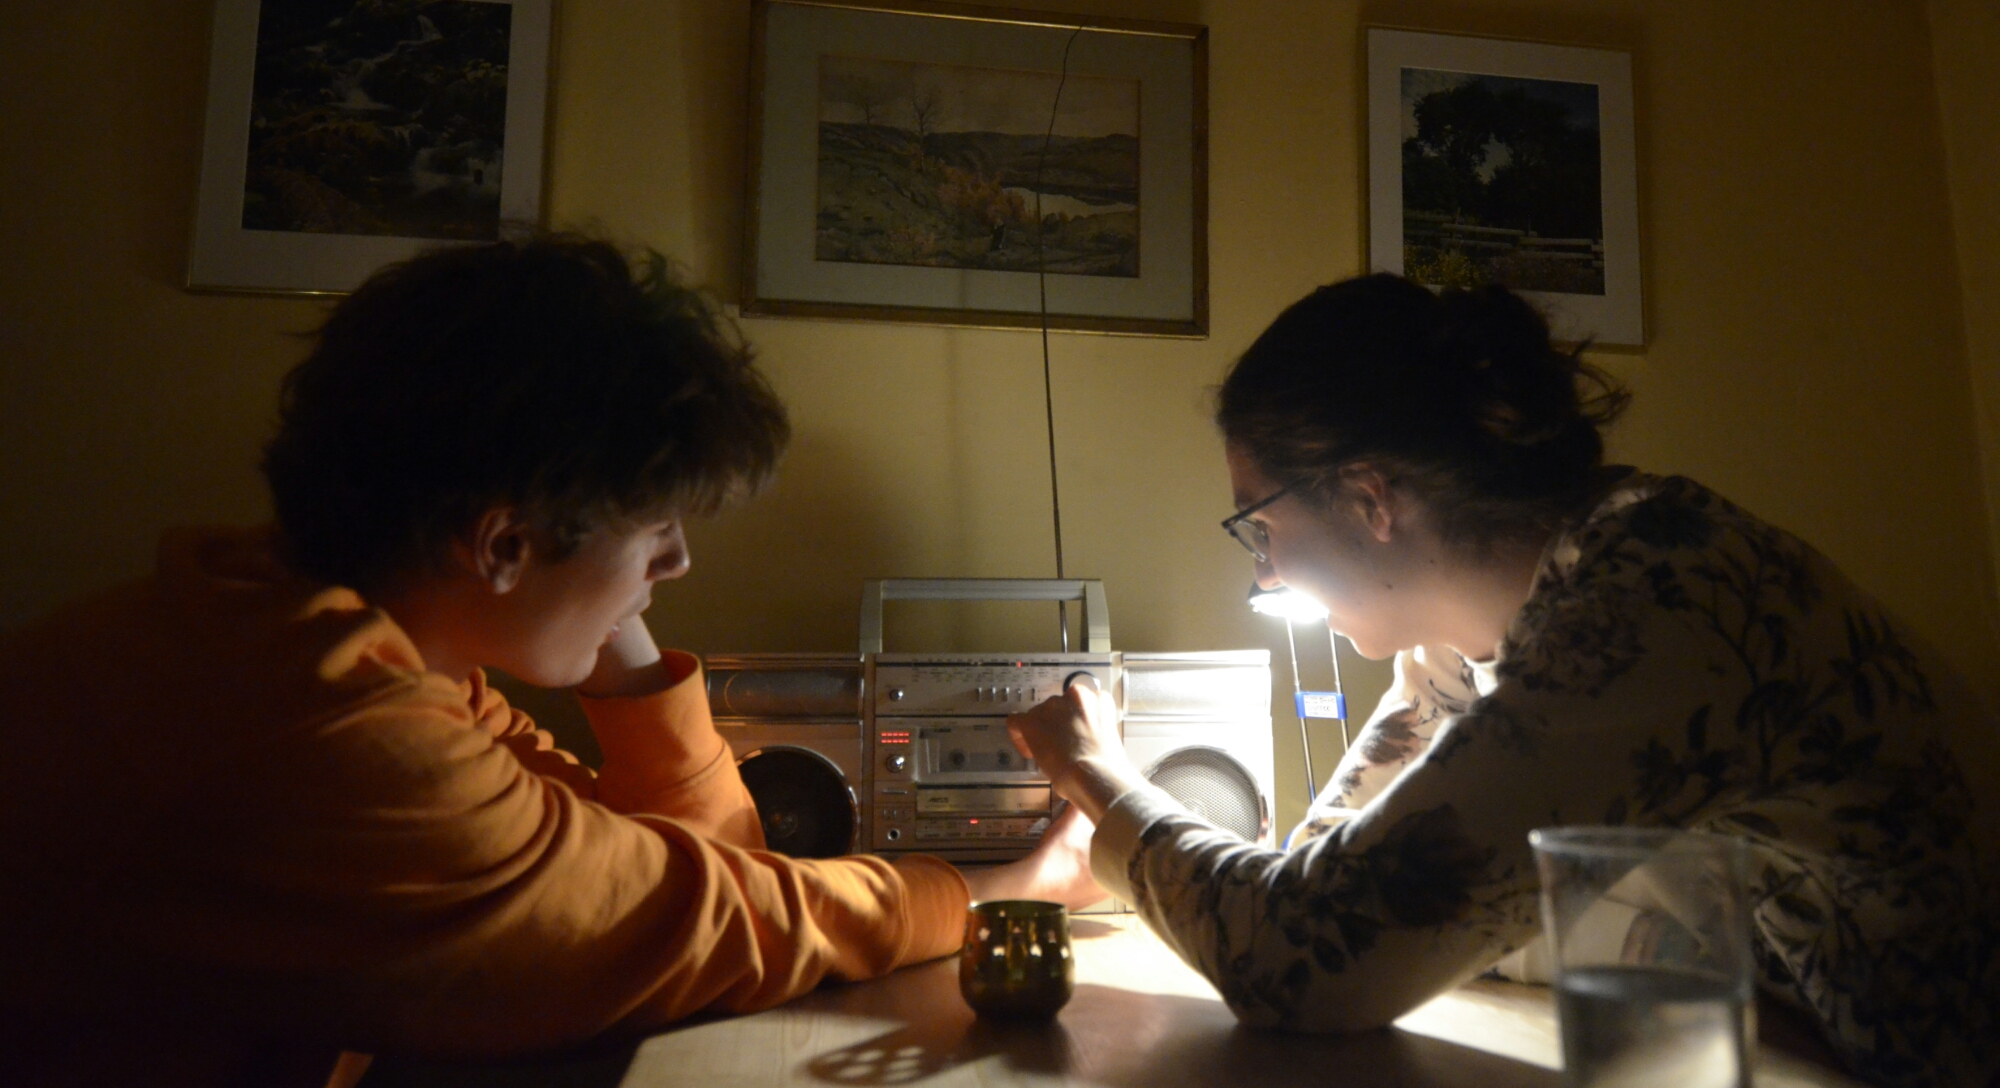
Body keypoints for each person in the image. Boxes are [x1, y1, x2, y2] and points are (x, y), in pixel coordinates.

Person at [0, 235, 1098, 1088]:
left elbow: (671, 867)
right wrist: (997, 894)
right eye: (655, 521)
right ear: (500, 542)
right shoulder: (323, 724)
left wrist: (608, 617)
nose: (677, 559)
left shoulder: (363, 651)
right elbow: (692, 924)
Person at [1008, 273, 1999, 1088]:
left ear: (1367, 496)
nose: (1261, 571)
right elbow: (1331, 864)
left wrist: (1098, 776)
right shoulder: (1481, 635)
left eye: (1259, 527)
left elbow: (1301, 957)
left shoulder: (1651, 608)